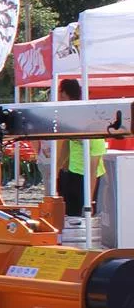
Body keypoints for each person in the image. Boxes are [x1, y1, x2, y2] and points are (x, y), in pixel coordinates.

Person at [55, 78, 105, 217]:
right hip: (72, 172)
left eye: (59, 92)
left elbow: (94, 167)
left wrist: (89, 202)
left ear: (64, 93)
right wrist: (58, 169)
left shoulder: (91, 124)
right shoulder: (70, 116)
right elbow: (67, 144)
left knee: (81, 215)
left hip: (87, 175)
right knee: (68, 213)